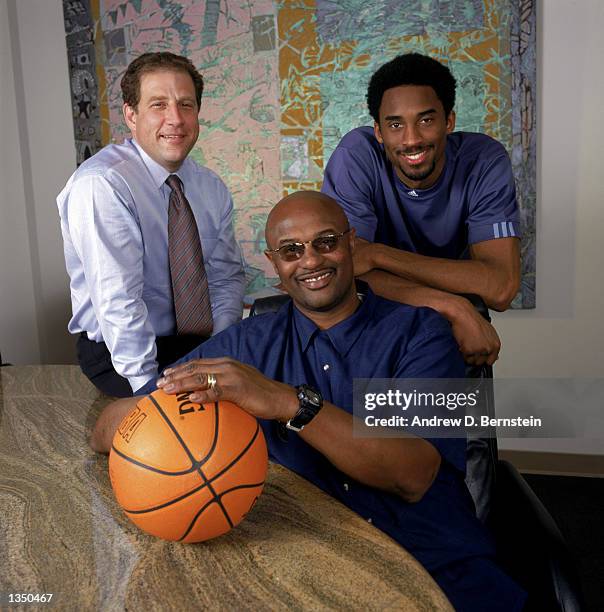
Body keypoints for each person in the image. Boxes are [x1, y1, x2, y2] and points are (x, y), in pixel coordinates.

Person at [90, 192, 526, 611]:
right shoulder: (246, 345)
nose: (311, 260)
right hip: (299, 563)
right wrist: (185, 422)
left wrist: (287, 402)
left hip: (429, 558)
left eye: (326, 242)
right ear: (275, 265)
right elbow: (109, 426)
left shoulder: (420, 334)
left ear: (351, 245)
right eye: (291, 250)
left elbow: (411, 474)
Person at [57, 52, 246, 397]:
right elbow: (119, 301)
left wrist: (220, 349)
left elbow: (226, 277)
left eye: (186, 105)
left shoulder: (210, 186)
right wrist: (148, 391)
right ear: (131, 115)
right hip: (122, 353)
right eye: (158, 104)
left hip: (197, 342)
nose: (175, 119)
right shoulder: (104, 184)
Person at [321, 52, 521, 366]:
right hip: (368, 325)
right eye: (396, 124)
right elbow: (340, 273)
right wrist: (451, 304)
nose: (412, 139)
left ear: (449, 121)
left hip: (448, 337)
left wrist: (376, 254)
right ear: (379, 131)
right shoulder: (356, 155)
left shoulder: (484, 159)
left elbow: (501, 288)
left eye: (426, 120)